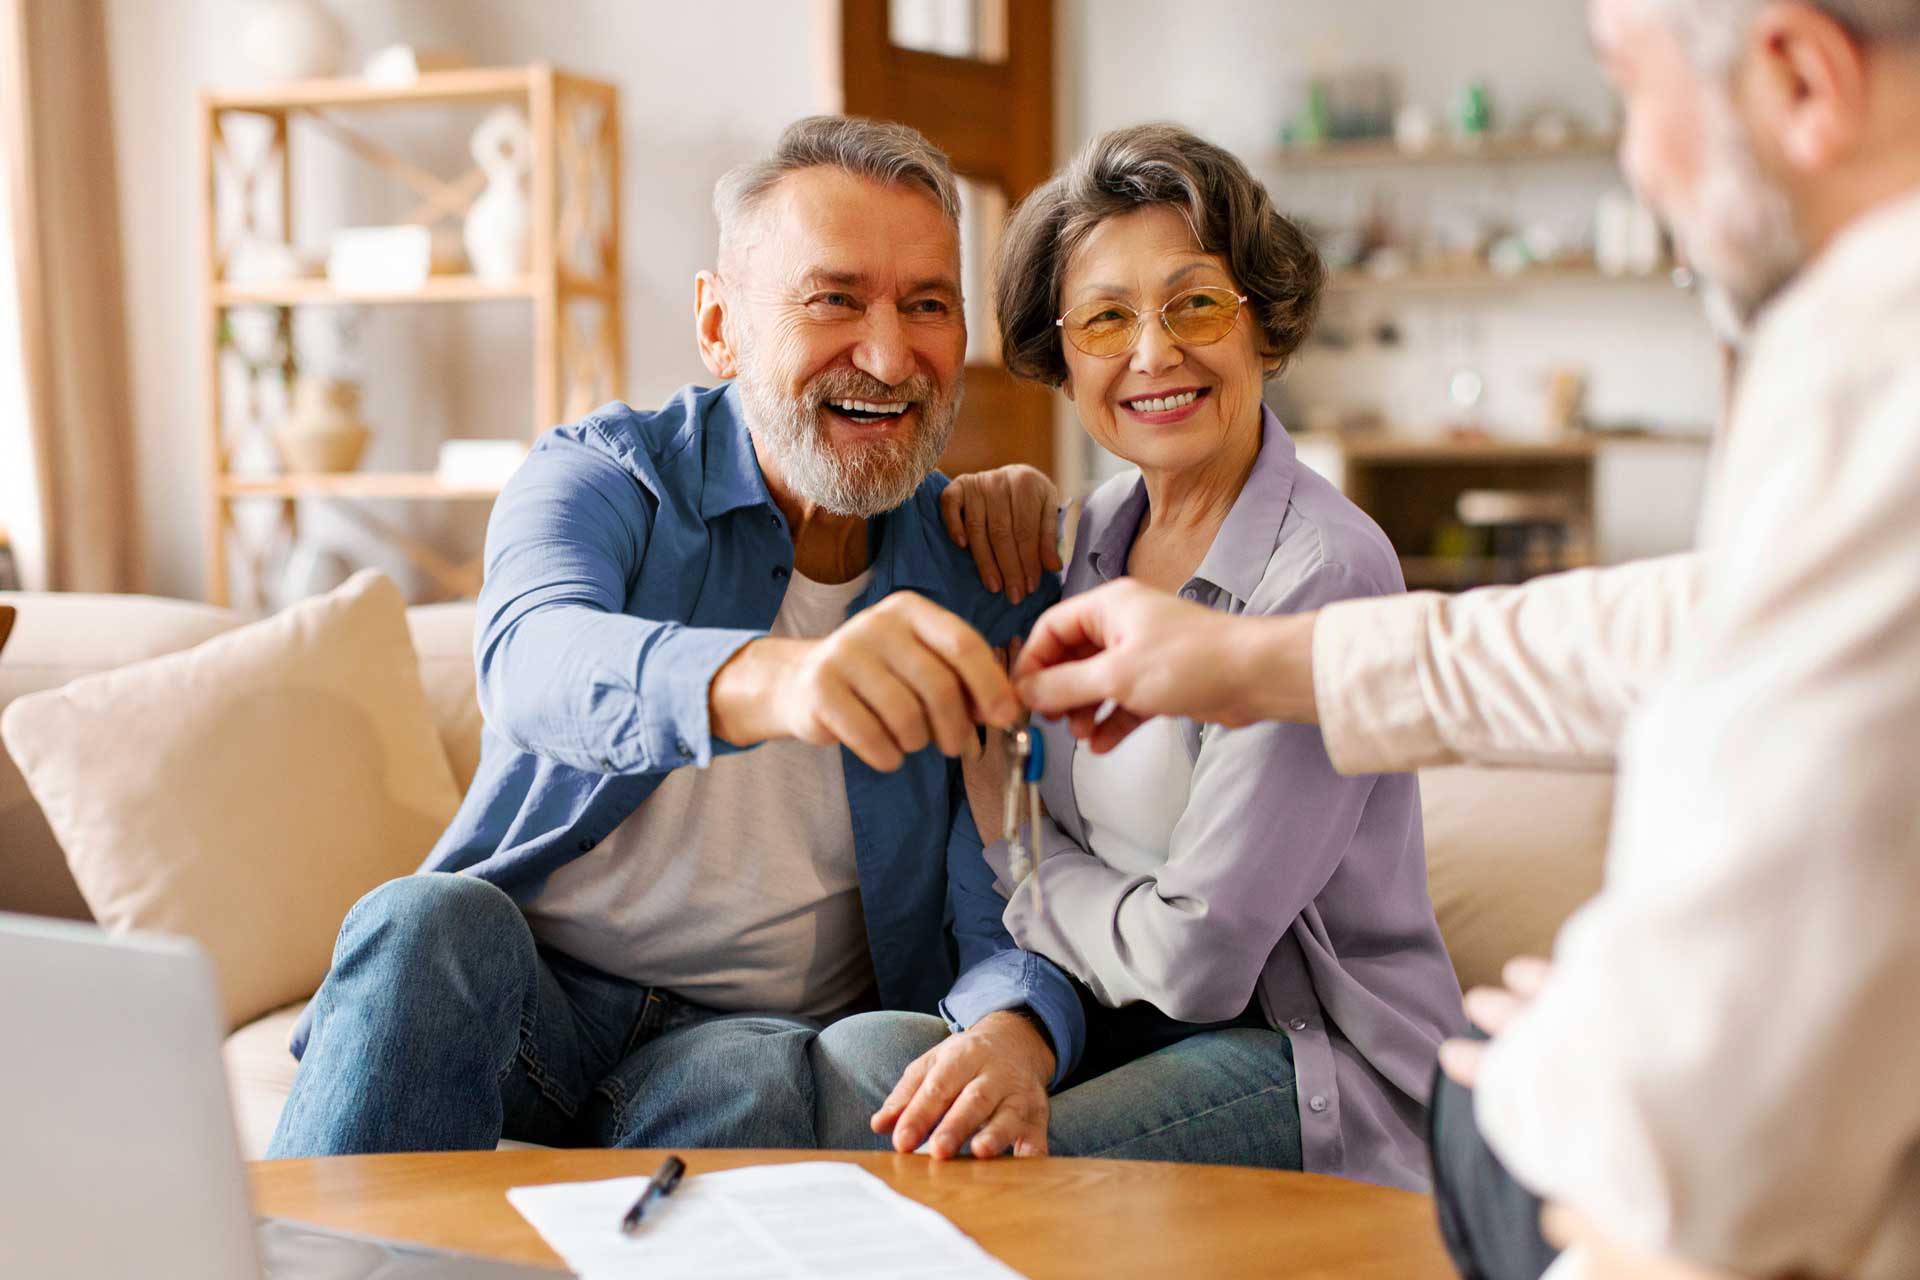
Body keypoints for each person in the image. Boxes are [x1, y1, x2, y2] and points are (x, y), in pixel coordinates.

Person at [1013, 2, 1920, 1276]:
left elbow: (1704, 1121)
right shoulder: (1079, 536)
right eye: (1102, 320)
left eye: (1630, 90)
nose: (1641, 163)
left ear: (1801, 76)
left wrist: (1579, 1058)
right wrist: (1270, 666)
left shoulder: (1872, 372)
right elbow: (1693, 621)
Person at [267, 115, 1074, 1159]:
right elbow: (531, 660)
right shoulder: (605, 475)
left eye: (927, 305)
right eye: (833, 298)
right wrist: (781, 681)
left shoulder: (981, 561)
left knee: (756, 1076)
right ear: (719, 324)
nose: (887, 353)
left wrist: (1018, 1023)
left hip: (746, 1034)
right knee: (422, 921)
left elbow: (1019, 868)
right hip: (534, 987)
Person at [812, 124, 1465, 1190]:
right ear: (1064, 357)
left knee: (969, 1171)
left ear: (1262, 320)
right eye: (1107, 318)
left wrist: (1020, 857)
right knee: (880, 1083)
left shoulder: (1326, 571)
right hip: (1124, 1027)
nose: (1154, 352)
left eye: (1195, 302)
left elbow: (1201, 960)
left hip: (1310, 1067)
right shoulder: (1091, 539)